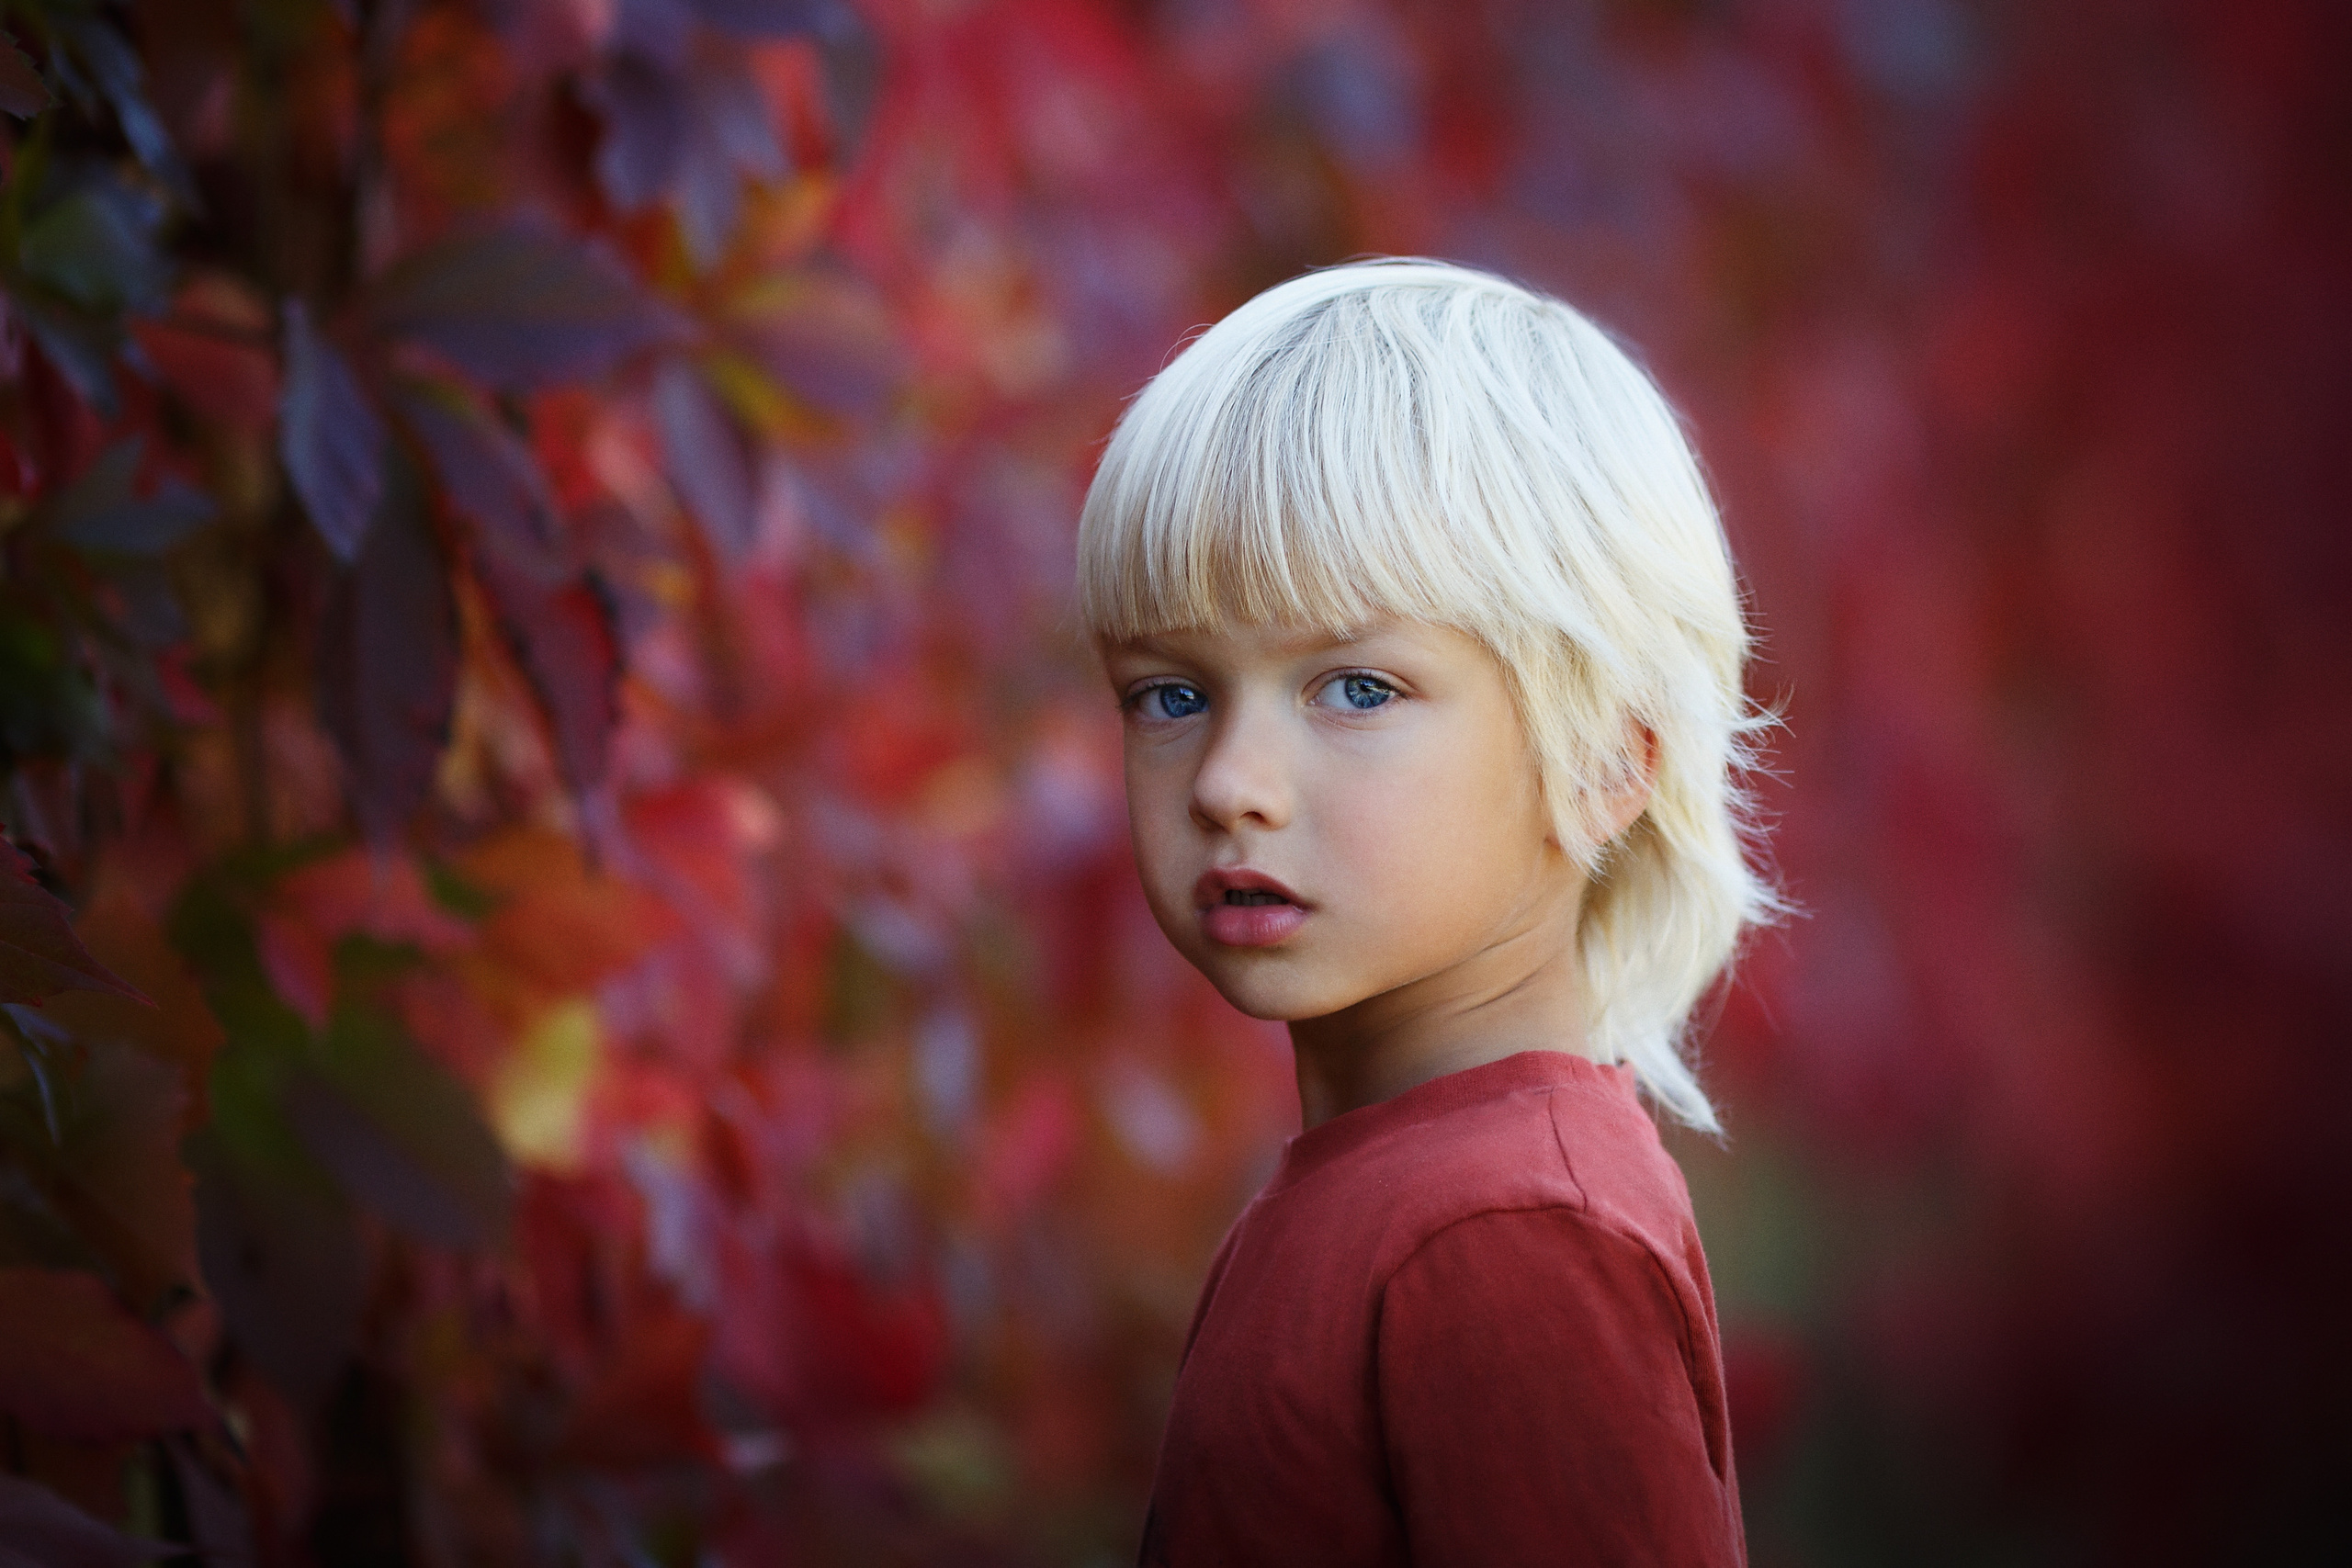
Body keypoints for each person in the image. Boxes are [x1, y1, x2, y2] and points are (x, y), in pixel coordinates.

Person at [1076, 258, 1775, 1566]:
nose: (1231, 784)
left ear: (1605, 763)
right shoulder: (1406, 1196)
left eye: (1353, 689)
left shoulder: (1504, 1237)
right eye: (1171, 695)